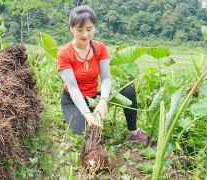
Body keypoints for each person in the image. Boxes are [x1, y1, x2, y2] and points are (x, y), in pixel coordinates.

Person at [56, 5, 148, 143]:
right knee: (84, 132)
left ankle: (133, 133)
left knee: (128, 90)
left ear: (94, 27)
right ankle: (84, 116)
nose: (85, 35)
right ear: (71, 28)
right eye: (79, 30)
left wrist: (103, 101)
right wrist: (87, 114)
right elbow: (73, 88)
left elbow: (106, 78)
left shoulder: (100, 48)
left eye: (89, 29)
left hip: (94, 97)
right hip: (73, 101)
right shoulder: (64, 54)